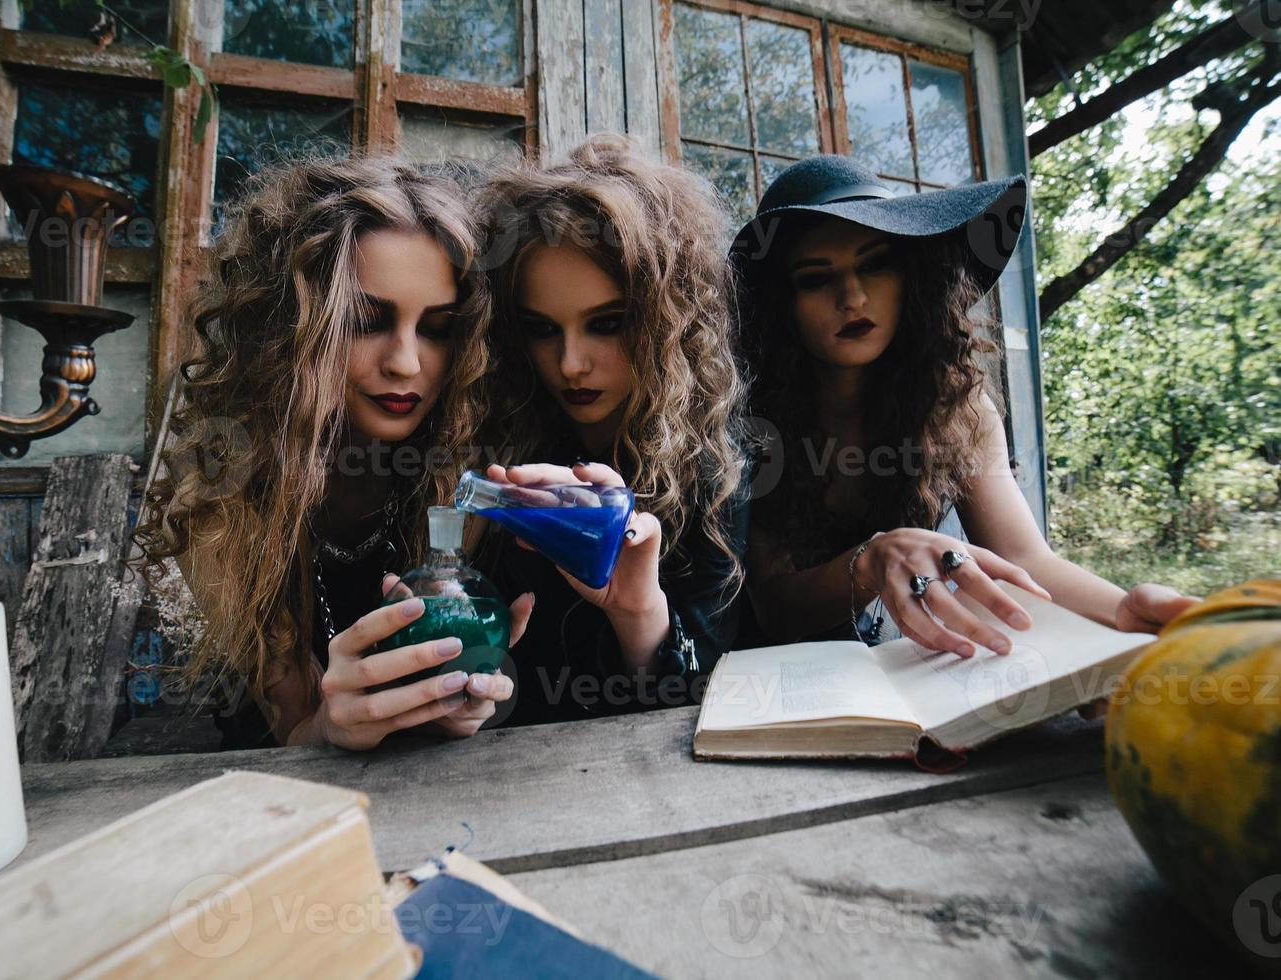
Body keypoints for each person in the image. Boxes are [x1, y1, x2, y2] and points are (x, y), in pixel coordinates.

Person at [133, 155, 531, 750]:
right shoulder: (226, 494)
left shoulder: (471, 468)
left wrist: (467, 704)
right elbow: (288, 729)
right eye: (367, 320)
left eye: (437, 328)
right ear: (292, 330)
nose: (405, 363)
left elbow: (504, 684)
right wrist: (329, 726)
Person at [733, 154, 1197, 654]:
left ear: (913, 277)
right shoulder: (749, 422)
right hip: (773, 678)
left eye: (876, 264)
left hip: (907, 660)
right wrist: (869, 561)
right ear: (781, 304)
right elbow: (774, 609)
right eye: (815, 278)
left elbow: (1023, 557)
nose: (853, 298)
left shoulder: (955, 405)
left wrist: (1121, 610)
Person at [471, 133, 752, 724]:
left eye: (607, 324)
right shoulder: (489, 439)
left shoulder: (715, 463)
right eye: (542, 329)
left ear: (666, 320)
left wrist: (640, 614)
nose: (571, 363)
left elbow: (709, 698)